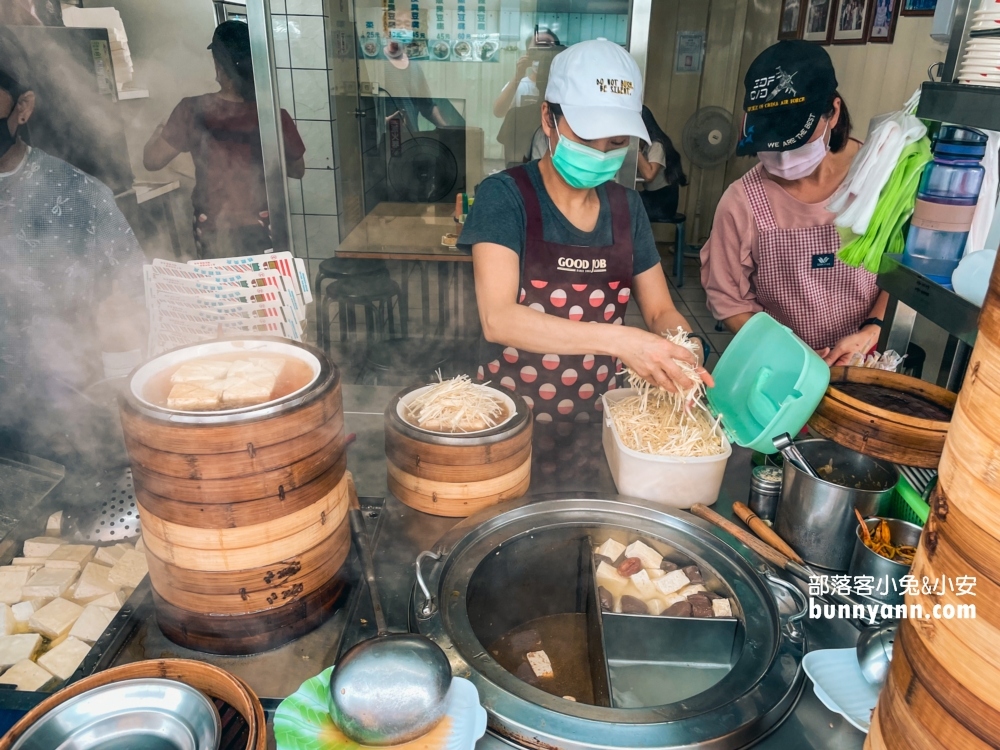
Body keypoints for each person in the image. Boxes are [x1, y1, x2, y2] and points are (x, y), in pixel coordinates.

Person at [460, 40, 710, 424]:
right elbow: (499, 319)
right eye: (585, 137)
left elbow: (661, 310)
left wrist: (685, 345)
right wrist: (623, 340)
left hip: (598, 418)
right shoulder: (506, 196)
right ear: (548, 119)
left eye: (616, 143)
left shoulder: (628, 208)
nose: (600, 153)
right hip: (507, 421)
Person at [0, 29, 146, 466]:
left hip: (63, 420)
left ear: (22, 108)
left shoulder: (78, 195)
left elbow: (129, 300)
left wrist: (125, 402)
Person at [700, 41, 887, 366]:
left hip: (868, 363)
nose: (783, 155)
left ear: (834, 111)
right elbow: (729, 301)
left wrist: (873, 329)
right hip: (783, 370)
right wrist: (787, 356)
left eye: (797, 138)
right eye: (770, 139)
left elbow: (906, 272)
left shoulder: (880, 178)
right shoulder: (741, 201)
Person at [143, 21, 306, 259]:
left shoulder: (191, 109)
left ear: (219, 65)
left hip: (212, 224)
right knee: (264, 290)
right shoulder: (272, 115)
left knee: (223, 291)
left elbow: (152, 160)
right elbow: (298, 170)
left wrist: (158, 132)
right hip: (263, 223)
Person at [492, 28, 560, 118]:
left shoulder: (561, 87)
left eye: (547, 50)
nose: (543, 55)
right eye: (538, 49)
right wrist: (518, 76)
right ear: (528, 53)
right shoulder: (520, 85)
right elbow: (498, 112)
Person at [637, 106, 687, 222]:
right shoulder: (644, 145)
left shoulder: (656, 145)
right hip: (652, 197)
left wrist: (635, 149)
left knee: (626, 205)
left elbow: (649, 175)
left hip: (662, 203)